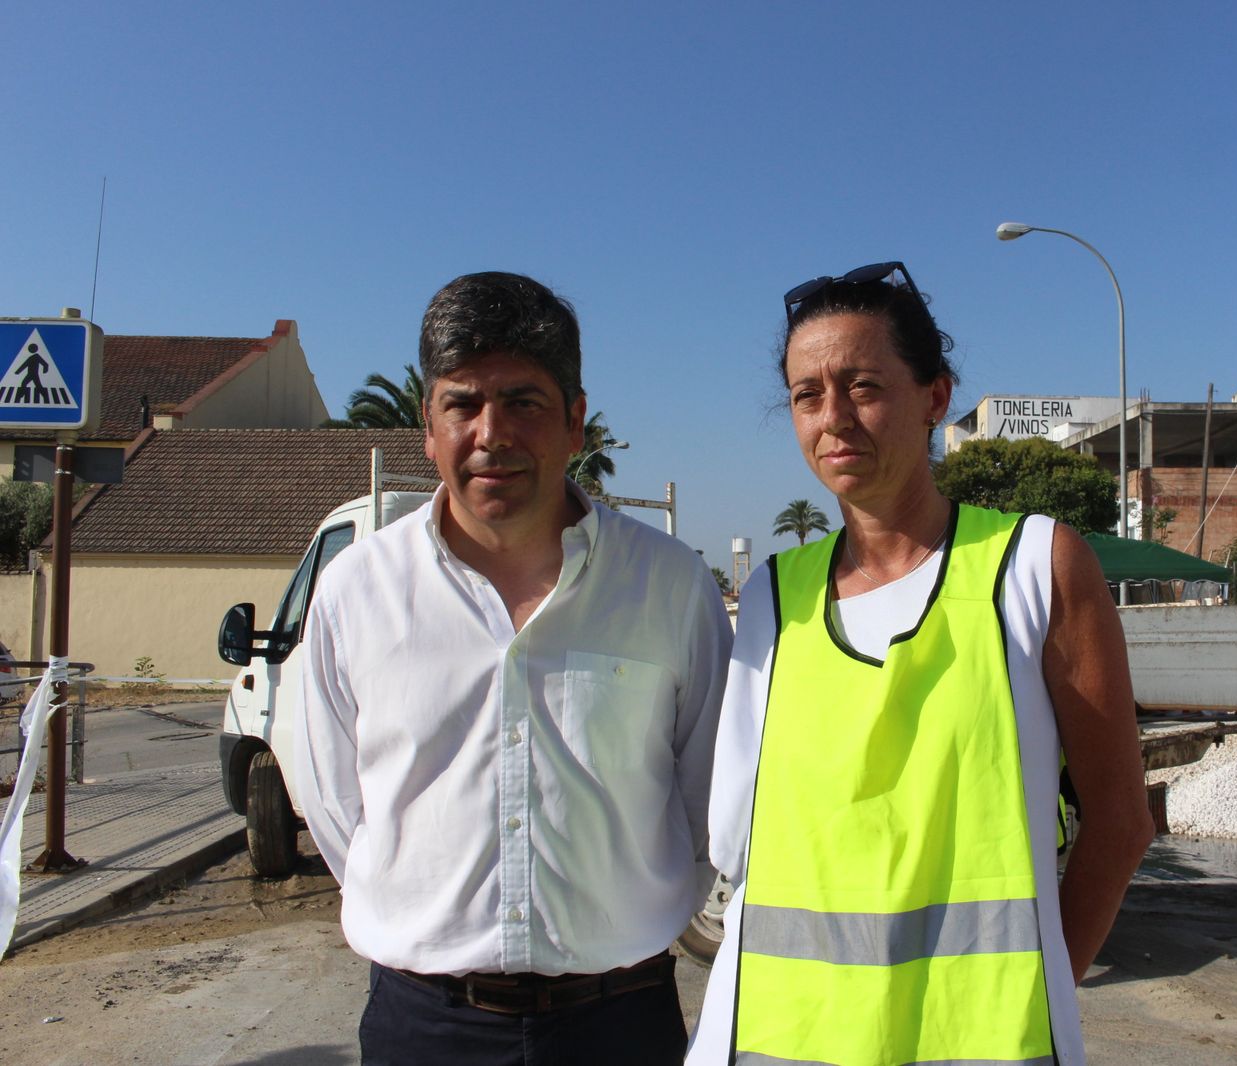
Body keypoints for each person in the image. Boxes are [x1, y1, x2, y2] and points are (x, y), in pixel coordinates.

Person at [687, 262, 1154, 1065]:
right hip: (779, 1039)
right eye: (807, 395)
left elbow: (1119, 823)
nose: (833, 419)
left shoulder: (1036, 567)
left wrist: (1041, 993)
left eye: (862, 385)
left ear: (936, 397)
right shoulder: (773, 597)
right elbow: (740, 849)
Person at [296, 271, 731, 1065]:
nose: (491, 433)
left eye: (523, 402)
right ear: (427, 426)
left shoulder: (669, 586)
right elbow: (337, 807)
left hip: (621, 1021)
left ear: (575, 422)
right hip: (422, 1026)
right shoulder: (356, 591)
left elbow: (707, 798)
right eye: (462, 403)